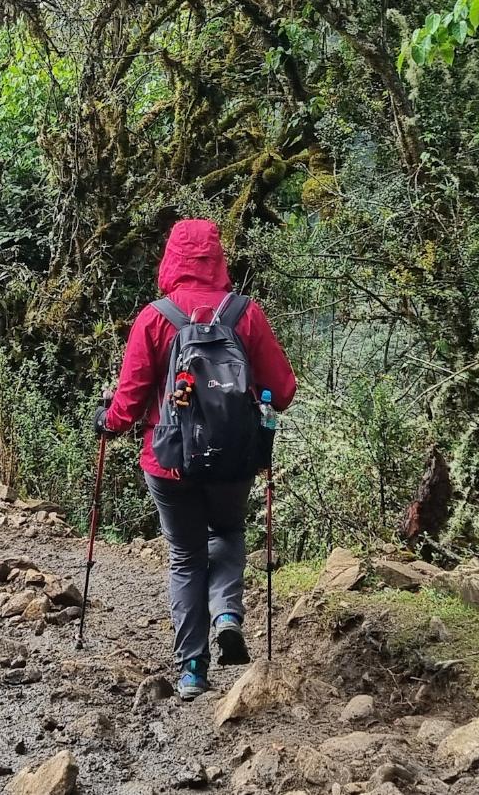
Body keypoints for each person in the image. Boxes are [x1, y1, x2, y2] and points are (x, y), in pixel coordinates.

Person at [95, 219, 297, 700]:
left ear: (171, 259)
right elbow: (284, 392)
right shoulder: (244, 314)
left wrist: (109, 421)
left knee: (186, 556)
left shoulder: (155, 317)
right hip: (233, 460)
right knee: (226, 532)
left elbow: (129, 399)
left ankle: (192, 670)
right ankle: (228, 614)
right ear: (217, 258)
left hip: (168, 461)